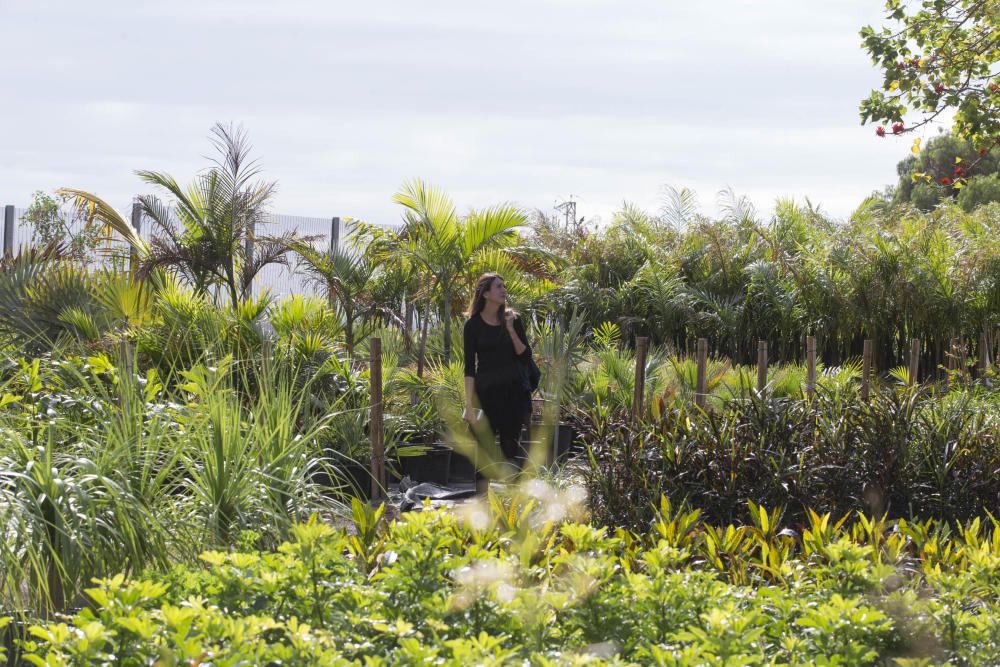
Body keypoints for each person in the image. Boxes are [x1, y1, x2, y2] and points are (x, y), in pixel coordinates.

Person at [462, 272, 533, 463]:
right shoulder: (472, 326)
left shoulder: (514, 320)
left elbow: (526, 356)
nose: (504, 290)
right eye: (498, 286)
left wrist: (510, 329)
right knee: (483, 452)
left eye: (504, 285)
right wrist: (468, 404)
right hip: (486, 395)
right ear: (485, 294)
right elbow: (469, 368)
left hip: (513, 394)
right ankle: (482, 494)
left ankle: (510, 493)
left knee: (510, 450)